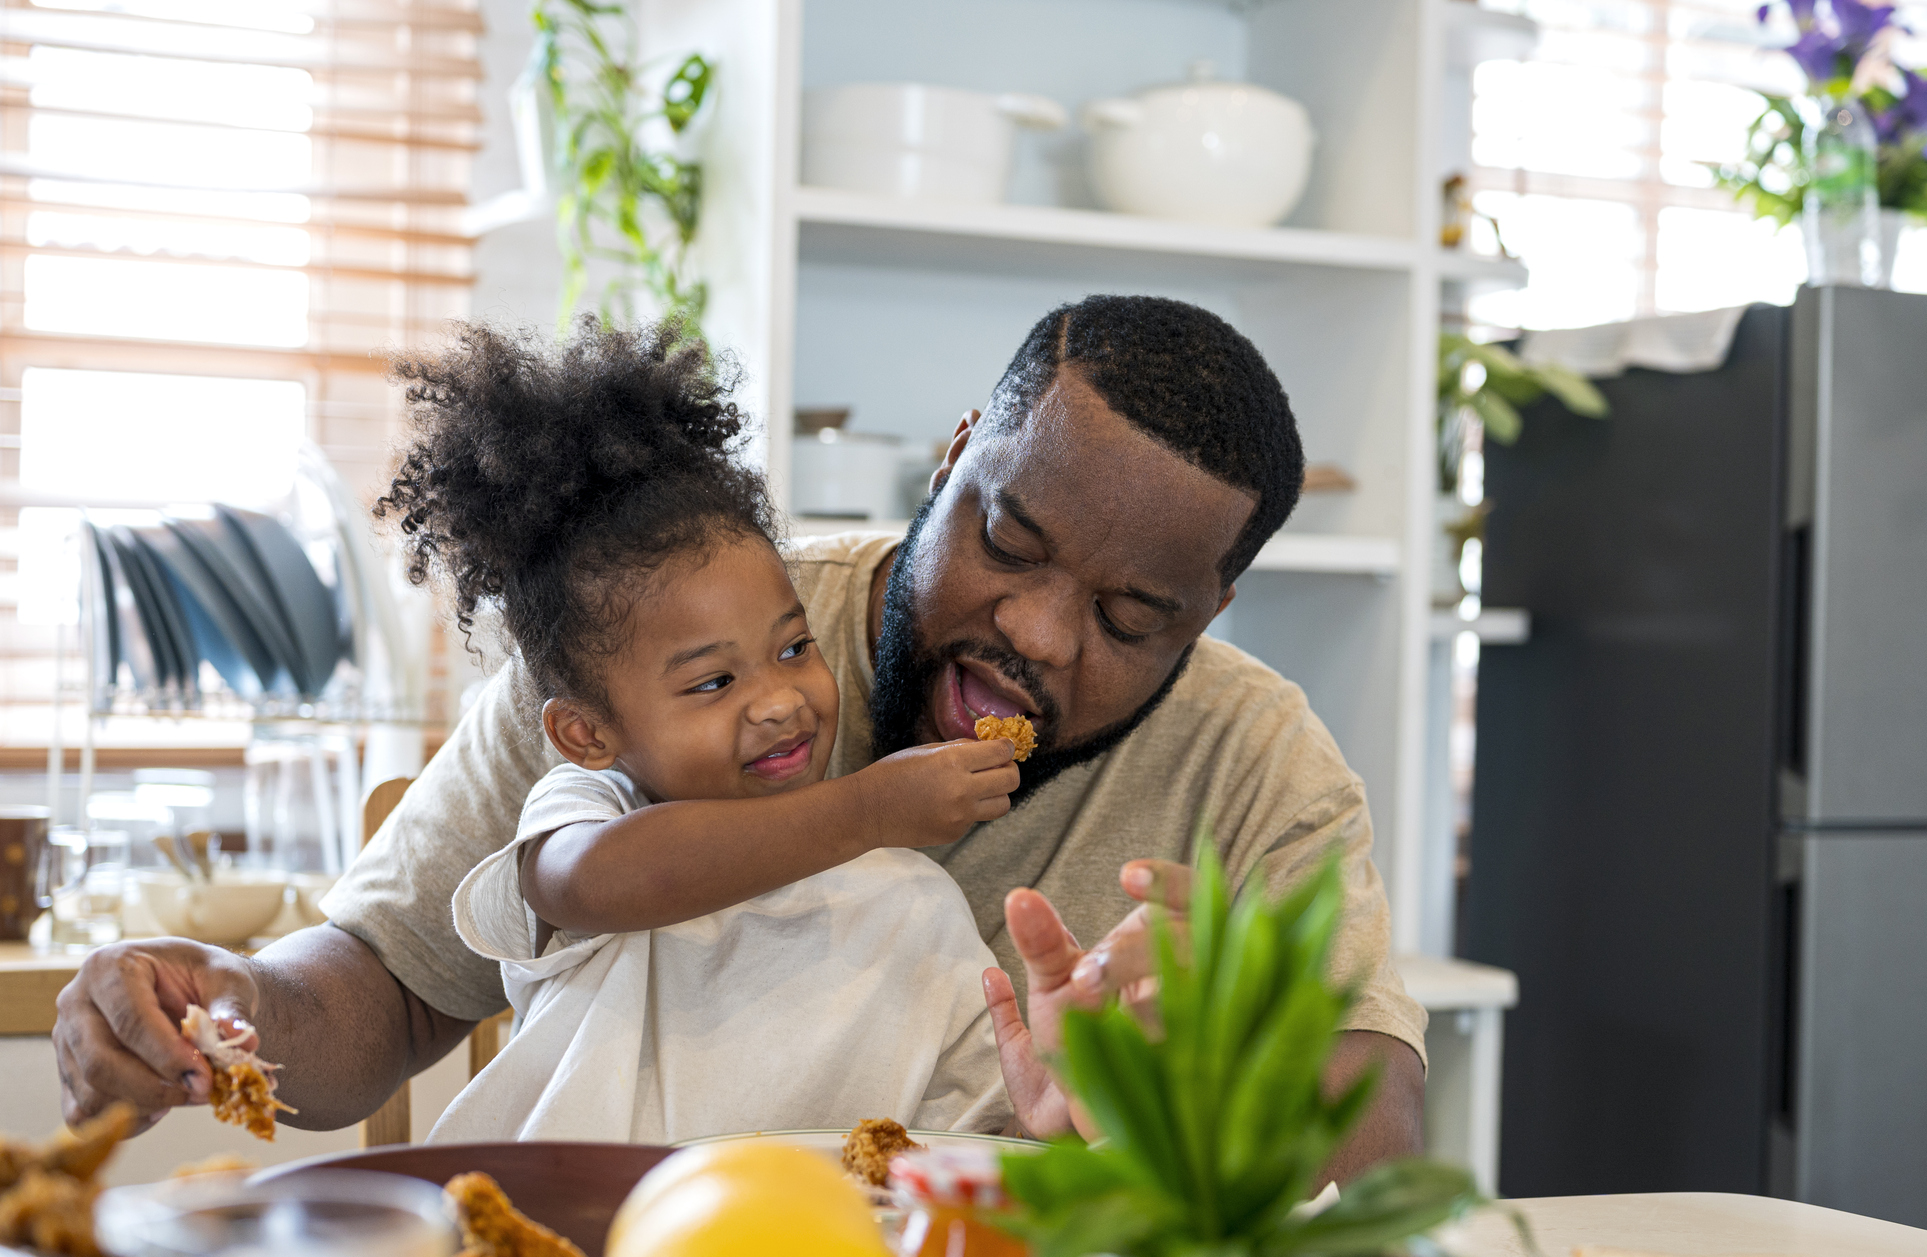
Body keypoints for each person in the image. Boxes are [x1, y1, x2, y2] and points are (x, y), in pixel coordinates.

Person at [53, 295, 1428, 1182]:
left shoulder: (1256, 761)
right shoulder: (670, 634)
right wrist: (224, 1001)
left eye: (1134, 614)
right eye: (1008, 542)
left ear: (1213, 609)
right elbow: (388, 981)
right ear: (953, 456)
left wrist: (1242, 1043)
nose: (1043, 635)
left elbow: (1384, 1143)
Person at [371, 324, 1015, 1143]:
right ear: (586, 733)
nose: (780, 701)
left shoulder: (909, 902)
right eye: (714, 681)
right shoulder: (593, 807)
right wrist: (868, 810)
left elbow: (970, 1129)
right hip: (579, 1226)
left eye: (793, 648)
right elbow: (591, 886)